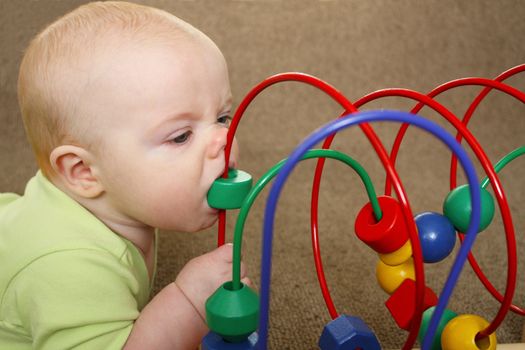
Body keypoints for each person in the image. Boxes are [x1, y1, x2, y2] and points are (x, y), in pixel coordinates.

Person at [0, 1, 247, 349]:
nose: (223, 140)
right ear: (84, 171)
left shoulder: (117, 204)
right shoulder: (71, 271)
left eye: (222, 118)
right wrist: (187, 302)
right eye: (180, 136)